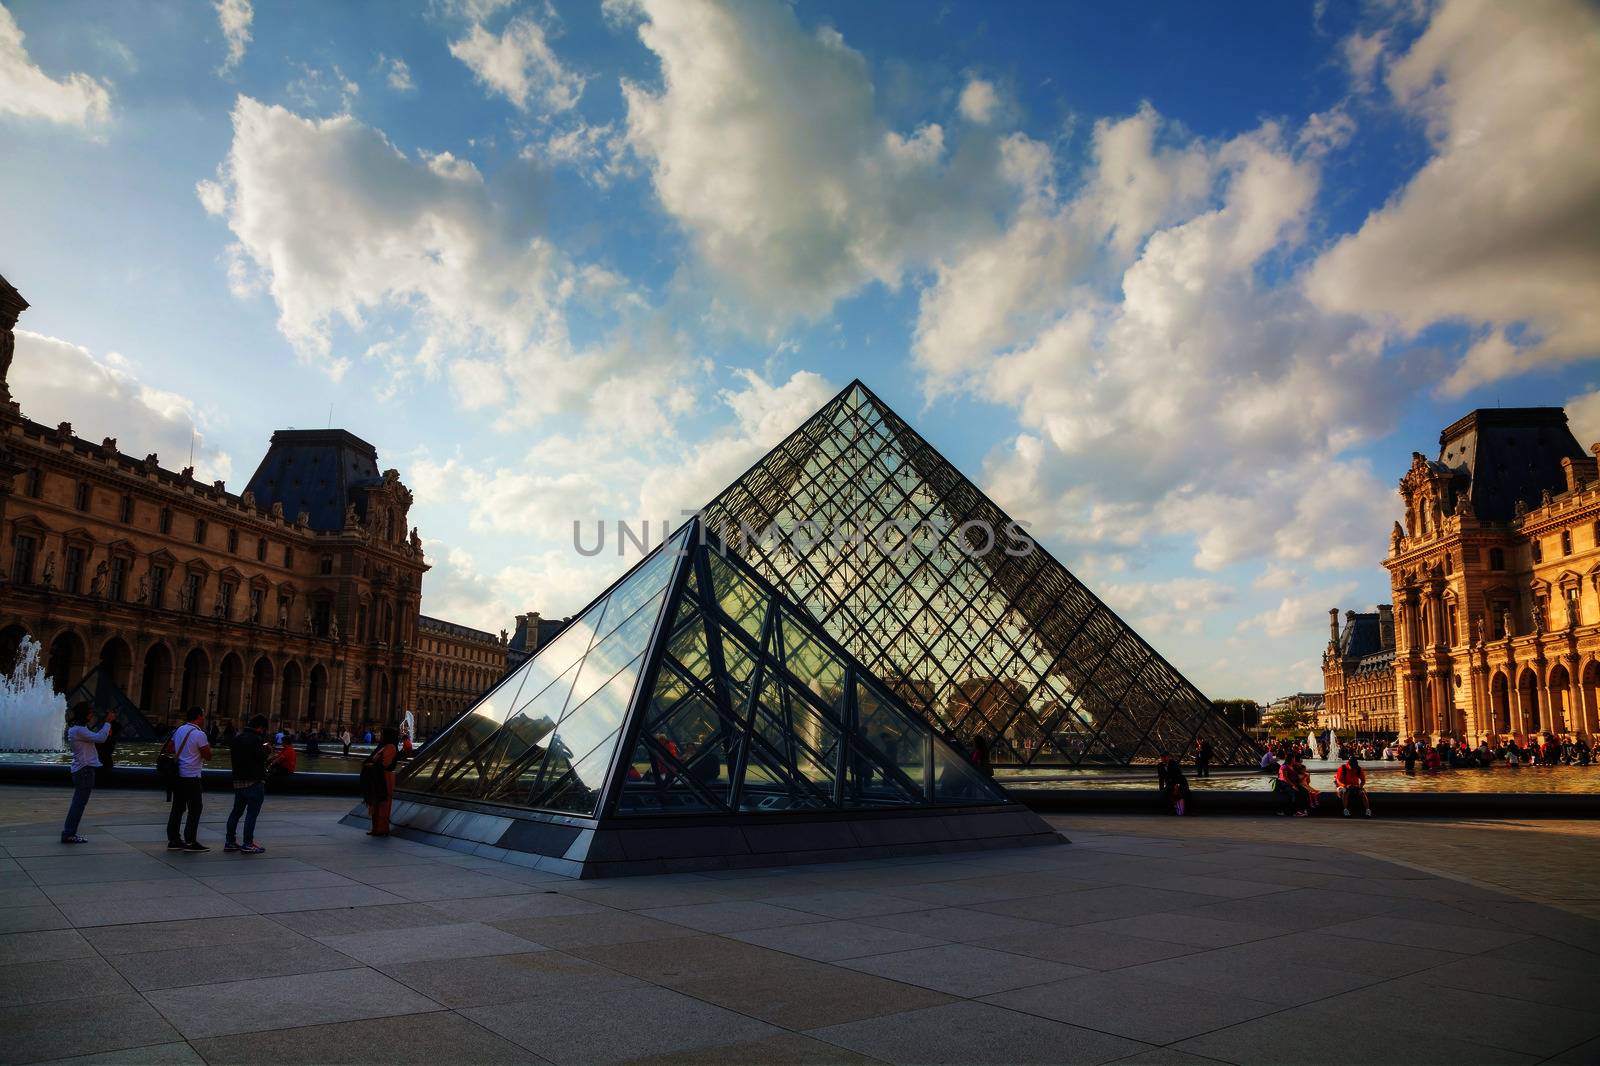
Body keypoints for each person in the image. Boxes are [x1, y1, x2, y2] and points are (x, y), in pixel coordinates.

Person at [60, 702, 116, 843]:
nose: (92, 715)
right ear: (84, 714)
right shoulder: (79, 730)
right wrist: (108, 722)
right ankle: (69, 833)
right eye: (90, 712)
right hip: (85, 770)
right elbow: (101, 738)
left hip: (82, 769)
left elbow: (96, 736)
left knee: (78, 803)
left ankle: (69, 832)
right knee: (79, 804)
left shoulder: (78, 729)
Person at [165, 707, 212, 852]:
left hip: (178, 776)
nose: (204, 719)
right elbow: (208, 756)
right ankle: (190, 841)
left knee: (178, 808)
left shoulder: (179, 730)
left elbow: (170, 749)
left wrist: (184, 751)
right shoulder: (199, 734)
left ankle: (173, 840)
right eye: (203, 716)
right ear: (198, 717)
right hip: (192, 777)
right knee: (195, 808)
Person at [225, 715, 273, 854]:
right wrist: (267, 751)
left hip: (238, 781)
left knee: (236, 812)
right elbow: (259, 757)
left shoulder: (238, 738)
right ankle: (247, 843)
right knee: (251, 814)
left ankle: (230, 842)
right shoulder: (256, 739)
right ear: (260, 727)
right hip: (254, 781)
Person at [363, 726, 400, 836]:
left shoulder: (391, 747)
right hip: (378, 776)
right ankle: (376, 828)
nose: (380, 736)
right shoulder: (383, 746)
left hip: (385, 778)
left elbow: (385, 763)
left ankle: (382, 828)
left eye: (383, 734)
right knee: (376, 803)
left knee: (383, 803)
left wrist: (372, 764)